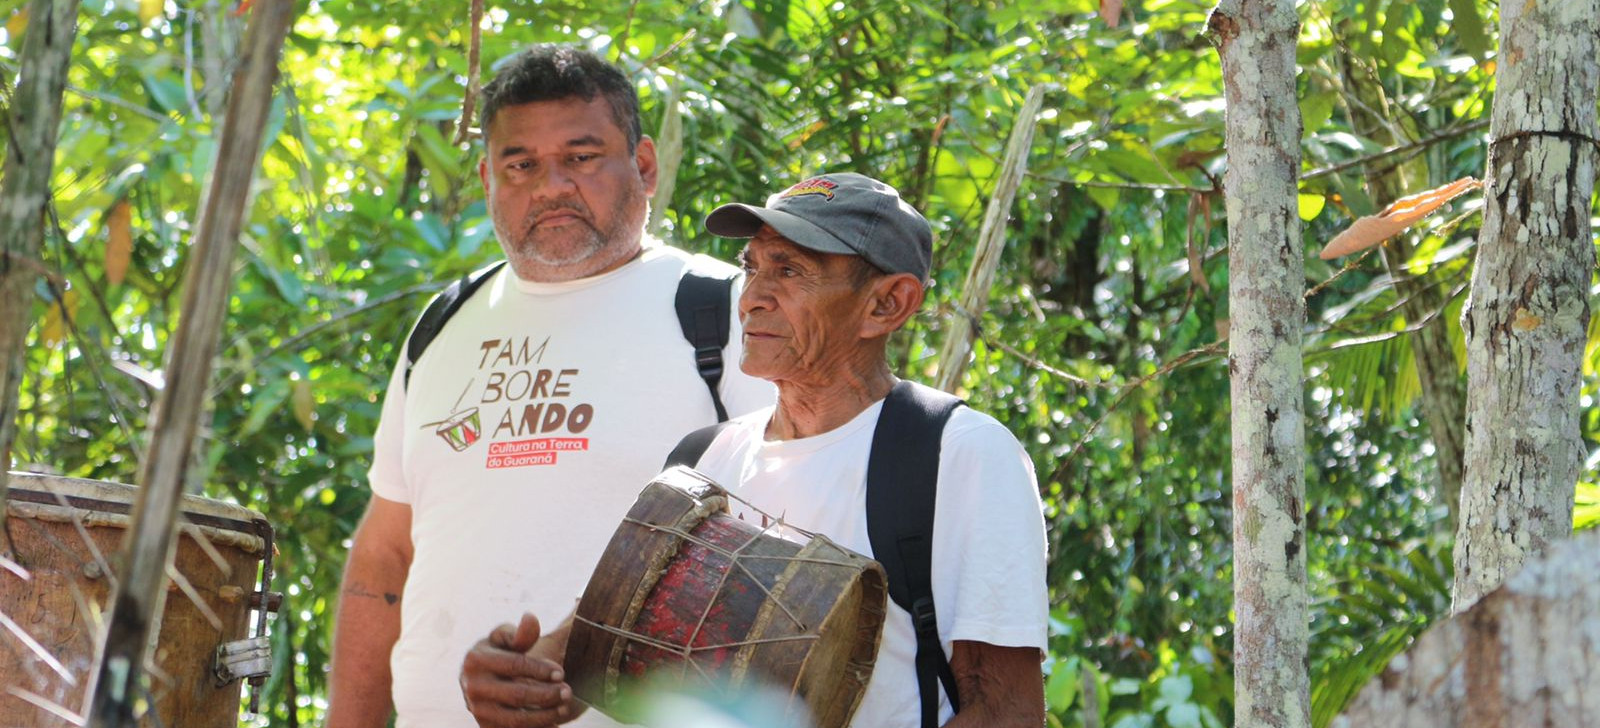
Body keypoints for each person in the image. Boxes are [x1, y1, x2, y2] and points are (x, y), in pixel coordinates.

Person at [459, 172, 1048, 728]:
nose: (753, 299)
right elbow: (581, 662)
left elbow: (1007, 712)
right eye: (753, 268)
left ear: (886, 304)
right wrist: (512, 682)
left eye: (790, 272)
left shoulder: (959, 455)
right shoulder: (700, 463)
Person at [326, 44, 772, 728]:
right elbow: (386, 552)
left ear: (644, 166)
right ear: (487, 180)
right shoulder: (443, 324)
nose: (551, 185)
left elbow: (792, 545)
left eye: (582, 156)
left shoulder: (729, 310)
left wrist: (589, 661)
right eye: (521, 164)